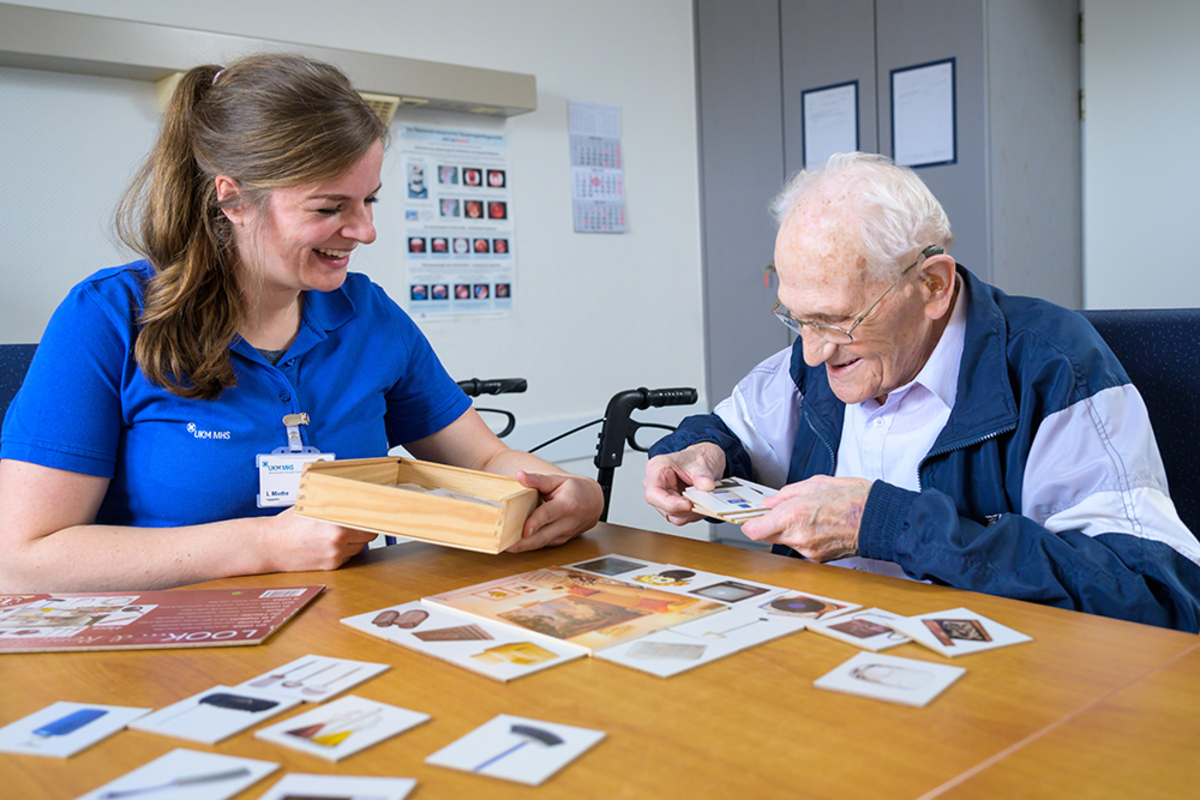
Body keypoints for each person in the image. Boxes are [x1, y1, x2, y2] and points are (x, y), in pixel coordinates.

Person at [0, 54, 603, 593]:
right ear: (231, 199)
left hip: (348, 641)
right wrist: (264, 545)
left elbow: (484, 462)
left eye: (370, 200)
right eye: (329, 207)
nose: (365, 231)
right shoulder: (108, 317)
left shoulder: (369, 317)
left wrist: (573, 492)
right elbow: (23, 559)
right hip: (166, 660)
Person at [644, 152, 1200, 631]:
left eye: (837, 321)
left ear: (932, 284)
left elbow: (1155, 595)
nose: (812, 353)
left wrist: (885, 522)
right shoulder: (814, 357)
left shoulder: (1053, 367)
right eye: (797, 319)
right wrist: (701, 449)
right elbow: (732, 429)